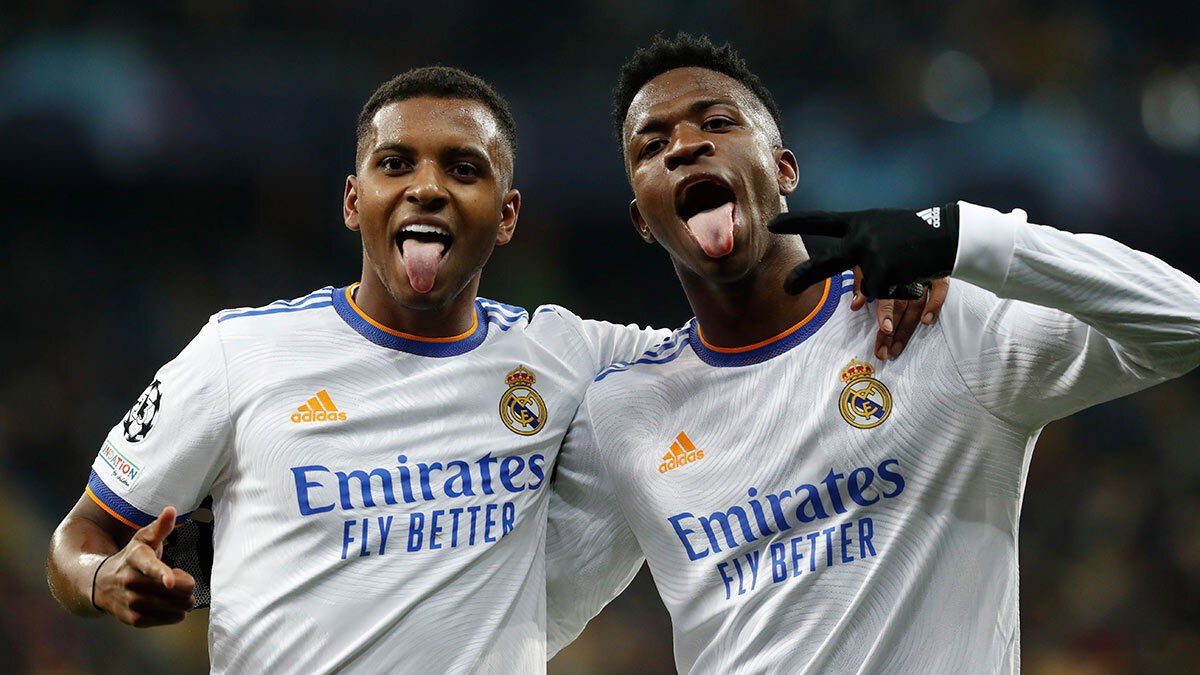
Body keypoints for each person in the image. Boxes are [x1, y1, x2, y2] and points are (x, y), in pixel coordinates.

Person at [45, 66, 929, 673]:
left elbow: (740, 342)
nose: (428, 187)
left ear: (505, 215)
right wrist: (100, 579)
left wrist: (898, 262)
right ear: (355, 200)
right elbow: (76, 540)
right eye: (396, 164)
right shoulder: (239, 353)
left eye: (463, 169)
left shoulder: (567, 358)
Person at [546, 33, 1200, 674]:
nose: (685, 145)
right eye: (652, 145)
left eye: (717, 122)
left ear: (784, 168)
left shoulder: (940, 322)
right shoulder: (624, 411)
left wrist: (961, 235)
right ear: (643, 219)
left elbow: (1185, 321)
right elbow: (529, 614)